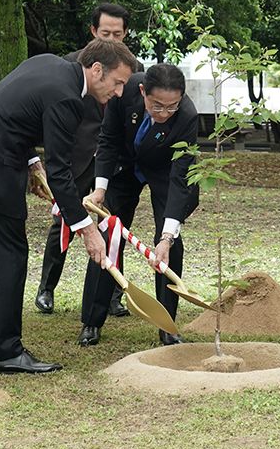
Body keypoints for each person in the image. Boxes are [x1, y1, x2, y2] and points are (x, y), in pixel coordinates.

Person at [0, 38, 136, 373]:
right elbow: (61, 171)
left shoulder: (48, 63)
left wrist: (30, 162)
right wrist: (86, 229)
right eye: (118, 82)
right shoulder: (68, 98)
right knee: (10, 256)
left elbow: (13, 112)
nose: (120, 92)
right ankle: (7, 351)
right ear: (97, 70)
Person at [77, 63, 199, 347]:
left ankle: (166, 324)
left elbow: (181, 178)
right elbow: (107, 140)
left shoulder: (187, 116)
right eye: (157, 106)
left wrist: (167, 237)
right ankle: (92, 321)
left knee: (170, 243)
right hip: (124, 166)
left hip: (165, 172)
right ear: (143, 92)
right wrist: (100, 189)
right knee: (108, 236)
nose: (164, 114)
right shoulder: (125, 90)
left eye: (172, 107)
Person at [34, 2, 141, 318]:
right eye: (106, 32)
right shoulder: (73, 66)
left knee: (113, 226)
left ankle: (109, 296)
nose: (112, 38)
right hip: (78, 157)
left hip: (114, 163)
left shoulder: (133, 72)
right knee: (65, 221)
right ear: (93, 32)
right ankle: (46, 288)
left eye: (118, 34)